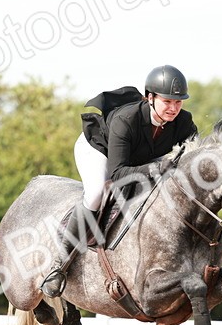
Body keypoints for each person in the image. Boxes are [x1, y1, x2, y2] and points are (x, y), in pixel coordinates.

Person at [41, 65, 198, 297]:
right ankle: (59, 265)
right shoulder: (126, 120)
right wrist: (156, 167)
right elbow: (117, 175)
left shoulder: (184, 121)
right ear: (150, 97)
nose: (173, 108)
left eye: (178, 102)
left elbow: (199, 154)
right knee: (96, 192)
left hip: (138, 158)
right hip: (99, 149)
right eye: (167, 102)